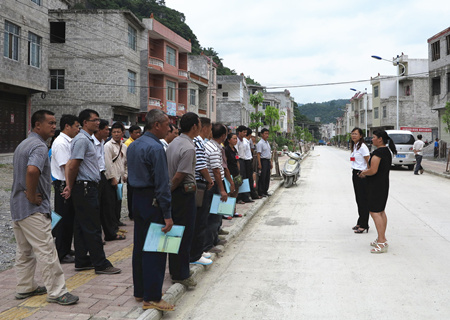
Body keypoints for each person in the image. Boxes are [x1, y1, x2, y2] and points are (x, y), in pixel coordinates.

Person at [11, 110, 79, 305]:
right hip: (32, 208)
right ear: (37, 125)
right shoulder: (39, 147)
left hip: (18, 207)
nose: (53, 126)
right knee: (47, 250)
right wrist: (32, 195)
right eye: (50, 123)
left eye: (54, 122)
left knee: (24, 251)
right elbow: (32, 170)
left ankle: (25, 287)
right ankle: (57, 292)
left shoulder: (23, 144)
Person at [127, 109, 174, 311]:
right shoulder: (156, 148)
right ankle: (152, 296)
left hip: (137, 198)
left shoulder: (134, 145)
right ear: (156, 125)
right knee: (155, 248)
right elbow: (162, 184)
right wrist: (168, 214)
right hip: (152, 200)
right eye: (166, 125)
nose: (168, 129)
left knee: (140, 246)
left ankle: (141, 291)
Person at [63, 109, 121, 274]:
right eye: (94, 120)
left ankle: (82, 259)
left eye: (98, 120)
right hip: (85, 187)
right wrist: (71, 186)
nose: (98, 122)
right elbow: (73, 165)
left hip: (87, 186)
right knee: (93, 226)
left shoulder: (87, 139)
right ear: (85, 123)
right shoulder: (82, 140)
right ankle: (100, 264)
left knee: (82, 226)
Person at [167, 112, 207, 281]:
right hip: (182, 194)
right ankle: (181, 274)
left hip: (175, 193)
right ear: (194, 127)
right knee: (184, 234)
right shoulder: (189, 147)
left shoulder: (174, 142)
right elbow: (179, 175)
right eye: (199, 124)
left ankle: (176, 269)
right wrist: (170, 191)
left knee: (176, 233)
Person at [359, 129, 397, 254]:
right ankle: (382, 238)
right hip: (383, 184)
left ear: (380, 139)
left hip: (375, 186)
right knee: (380, 211)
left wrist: (364, 173)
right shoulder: (387, 151)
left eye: (374, 137)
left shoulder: (378, 152)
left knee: (375, 212)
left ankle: (381, 242)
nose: (372, 139)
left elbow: (373, 170)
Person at [51, 114, 80, 264]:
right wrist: (69, 186)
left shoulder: (69, 141)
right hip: (63, 184)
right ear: (67, 126)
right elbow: (66, 167)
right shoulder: (61, 143)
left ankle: (67, 248)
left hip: (67, 183)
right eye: (76, 126)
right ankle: (62, 252)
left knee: (69, 219)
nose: (78, 129)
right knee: (63, 219)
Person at [204, 123, 230, 254]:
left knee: (216, 213)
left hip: (214, 183)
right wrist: (222, 189)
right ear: (223, 136)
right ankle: (209, 243)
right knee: (213, 215)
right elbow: (216, 171)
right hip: (214, 184)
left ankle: (214, 238)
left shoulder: (212, 145)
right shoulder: (214, 149)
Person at [191, 117, 214, 264]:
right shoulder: (197, 142)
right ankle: (195, 254)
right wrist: (209, 180)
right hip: (199, 183)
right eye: (210, 128)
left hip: (198, 183)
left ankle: (198, 251)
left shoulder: (196, 141)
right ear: (204, 127)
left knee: (201, 219)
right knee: (199, 220)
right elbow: (200, 166)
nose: (210, 132)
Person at [102, 122, 128, 240]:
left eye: (118, 132)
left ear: (122, 133)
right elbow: (107, 164)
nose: (116, 134)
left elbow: (125, 163)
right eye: (114, 132)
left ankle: (116, 225)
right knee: (110, 205)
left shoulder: (124, 146)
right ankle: (111, 230)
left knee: (118, 203)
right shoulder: (108, 146)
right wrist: (112, 178)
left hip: (120, 179)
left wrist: (125, 175)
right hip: (111, 180)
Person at [349, 128, 370, 234]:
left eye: (356, 134)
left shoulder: (363, 147)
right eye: (352, 134)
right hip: (355, 173)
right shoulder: (355, 146)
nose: (353, 136)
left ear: (361, 136)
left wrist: (366, 173)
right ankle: (360, 221)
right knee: (358, 199)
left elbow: (368, 162)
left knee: (363, 200)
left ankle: (364, 224)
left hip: (361, 175)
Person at [93, 119, 110, 243]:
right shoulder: (91, 143)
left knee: (106, 206)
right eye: (107, 129)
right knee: (96, 208)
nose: (108, 131)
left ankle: (108, 232)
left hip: (102, 175)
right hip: (94, 176)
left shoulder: (103, 142)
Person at [124, 125, 141, 220]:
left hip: (137, 172)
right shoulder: (128, 144)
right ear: (131, 134)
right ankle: (132, 214)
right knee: (131, 195)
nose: (138, 134)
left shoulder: (137, 142)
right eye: (136, 133)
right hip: (131, 172)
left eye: (139, 132)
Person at [236, 126, 253, 203]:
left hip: (244, 160)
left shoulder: (244, 141)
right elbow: (236, 152)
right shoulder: (237, 141)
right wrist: (237, 161)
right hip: (239, 160)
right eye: (243, 132)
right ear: (239, 132)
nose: (245, 134)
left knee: (245, 179)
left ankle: (245, 196)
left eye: (246, 132)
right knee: (240, 179)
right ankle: (239, 197)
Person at [257, 128, 273, 198]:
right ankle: (261, 191)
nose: (267, 135)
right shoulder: (260, 143)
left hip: (267, 161)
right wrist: (259, 164)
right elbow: (258, 154)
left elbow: (269, 153)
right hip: (263, 161)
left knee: (267, 176)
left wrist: (271, 162)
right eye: (265, 133)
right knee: (262, 177)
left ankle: (265, 191)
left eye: (267, 133)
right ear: (262, 134)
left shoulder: (267, 143)